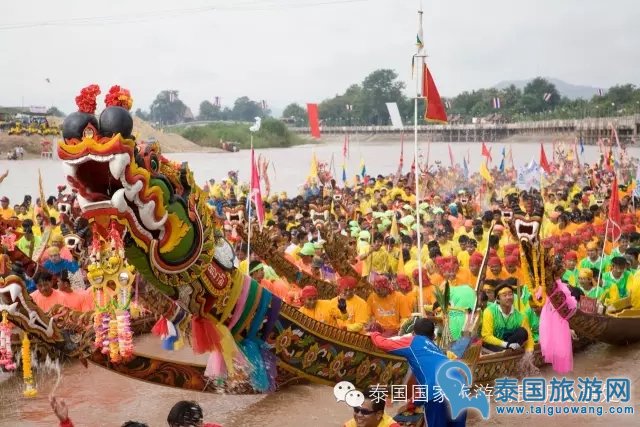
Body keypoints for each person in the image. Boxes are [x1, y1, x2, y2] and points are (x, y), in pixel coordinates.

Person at [370, 318, 466, 427]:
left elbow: (382, 343)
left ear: (413, 333)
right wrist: (413, 403)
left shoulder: (413, 341)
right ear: (433, 337)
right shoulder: (437, 350)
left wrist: (374, 332)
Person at [480, 281, 535, 352]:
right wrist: (505, 344)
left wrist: (529, 352)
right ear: (497, 299)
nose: (508, 297)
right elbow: (486, 336)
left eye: (510, 294)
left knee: (523, 332)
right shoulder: (489, 311)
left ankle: (510, 350)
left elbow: (529, 336)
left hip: (510, 343)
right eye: (504, 295)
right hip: (494, 344)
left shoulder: (520, 316)